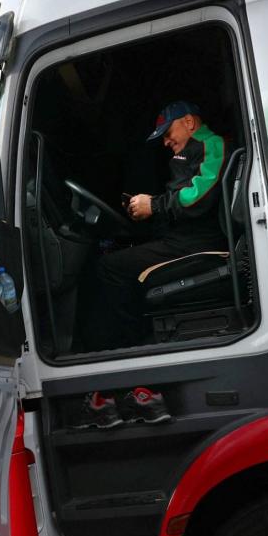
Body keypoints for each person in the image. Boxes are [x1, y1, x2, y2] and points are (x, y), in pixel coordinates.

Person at [85, 100, 229, 351]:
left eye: (168, 133)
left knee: (110, 268)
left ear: (189, 122)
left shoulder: (211, 143)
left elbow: (200, 196)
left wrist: (155, 205)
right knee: (117, 255)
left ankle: (127, 347)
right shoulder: (192, 150)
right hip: (181, 240)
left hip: (196, 245)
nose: (165, 142)